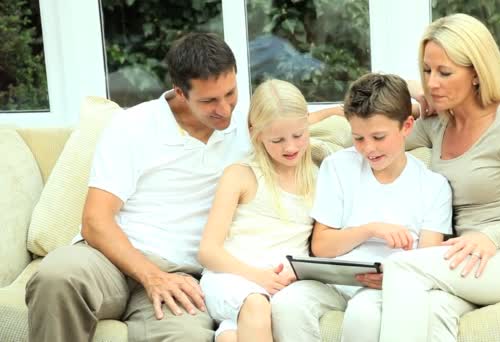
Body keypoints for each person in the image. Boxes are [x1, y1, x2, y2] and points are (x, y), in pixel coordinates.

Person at [25, 32, 248, 342]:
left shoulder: (248, 131)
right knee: (56, 276)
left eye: (231, 93)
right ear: (180, 92)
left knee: (187, 337)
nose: (224, 109)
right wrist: (150, 276)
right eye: (209, 100)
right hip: (109, 260)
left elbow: (294, 125)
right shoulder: (132, 126)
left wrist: (337, 112)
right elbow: (95, 221)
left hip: (180, 274)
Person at [379, 13, 500, 341]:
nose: (433, 82)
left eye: (445, 72)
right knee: (432, 310)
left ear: (477, 74)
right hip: (469, 258)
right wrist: (412, 92)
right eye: (427, 70)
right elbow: (373, 134)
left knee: (401, 266)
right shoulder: (435, 125)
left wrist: (491, 237)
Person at [271, 73, 453, 342]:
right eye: (358, 138)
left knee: (363, 314)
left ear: (407, 126)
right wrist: (370, 230)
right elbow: (321, 246)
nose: (368, 149)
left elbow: (424, 261)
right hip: (336, 281)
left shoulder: (433, 186)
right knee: (286, 303)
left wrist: (394, 278)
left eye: (379, 137)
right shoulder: (338, 167)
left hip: (386, 286)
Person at [197, 79, 319, 342]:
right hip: (231, 277)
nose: (290, 147)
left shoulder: (318, 179)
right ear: (255, 133)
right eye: (277, 140)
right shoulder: (241, 175)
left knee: (231, 336)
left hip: (281, 285)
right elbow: (208, 251)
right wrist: (258, 277)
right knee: (255, 304)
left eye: (298, 136)